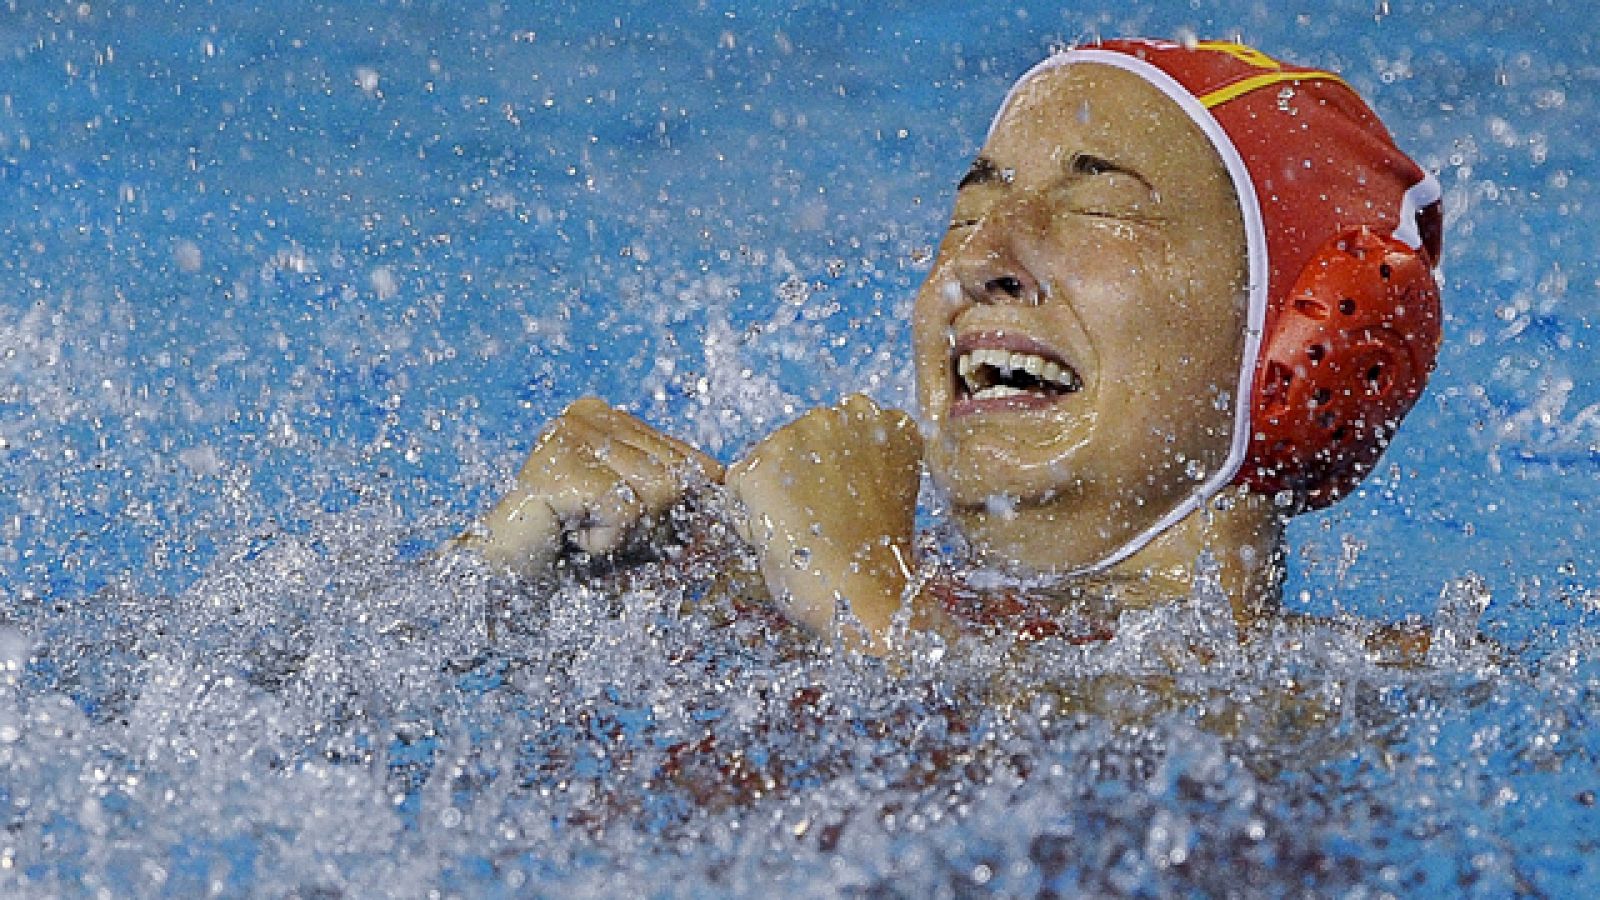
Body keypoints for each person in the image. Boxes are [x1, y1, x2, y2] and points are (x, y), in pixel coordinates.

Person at [455, 38, 1444, 658]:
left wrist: (868, 606)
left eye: (1096, 199)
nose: (980, 263)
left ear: (1305, 329)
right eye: (967, 214)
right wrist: (491, 584)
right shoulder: (772, 591)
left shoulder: (1379, 692)